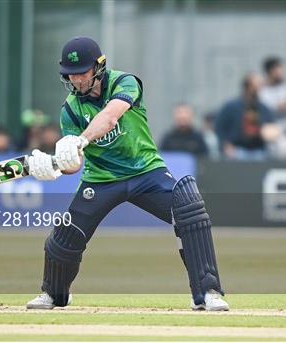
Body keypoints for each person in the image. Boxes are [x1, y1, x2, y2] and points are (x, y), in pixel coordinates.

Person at [25, 37, 229, 311]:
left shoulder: (125, 82)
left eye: (81, 72)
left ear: (98, 67)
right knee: (66, 233)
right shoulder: (70, 109)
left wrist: (80, 140)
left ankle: (208, 292)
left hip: (146, 171)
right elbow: (75, 162)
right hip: (101, 178)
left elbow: (110, 116)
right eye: (70, 74)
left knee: (188, 208)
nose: (76, 80)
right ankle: (54, 293)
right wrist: (56, 166)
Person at [215, 72, 276, 160]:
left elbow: (271, 127)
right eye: (256, 85)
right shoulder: (231, 107)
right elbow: (219, 128)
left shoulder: (264, 109)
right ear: (247, 87)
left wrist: (269, 132)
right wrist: (225, 145)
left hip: (259, 150)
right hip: (237, 150)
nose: (259, 88)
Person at [259, 57, 286, 126]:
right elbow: (264, 111)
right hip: (271, 127)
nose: (282, 72)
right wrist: (279, 107)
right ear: (271, 71)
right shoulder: (262, 90)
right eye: (278, 70)